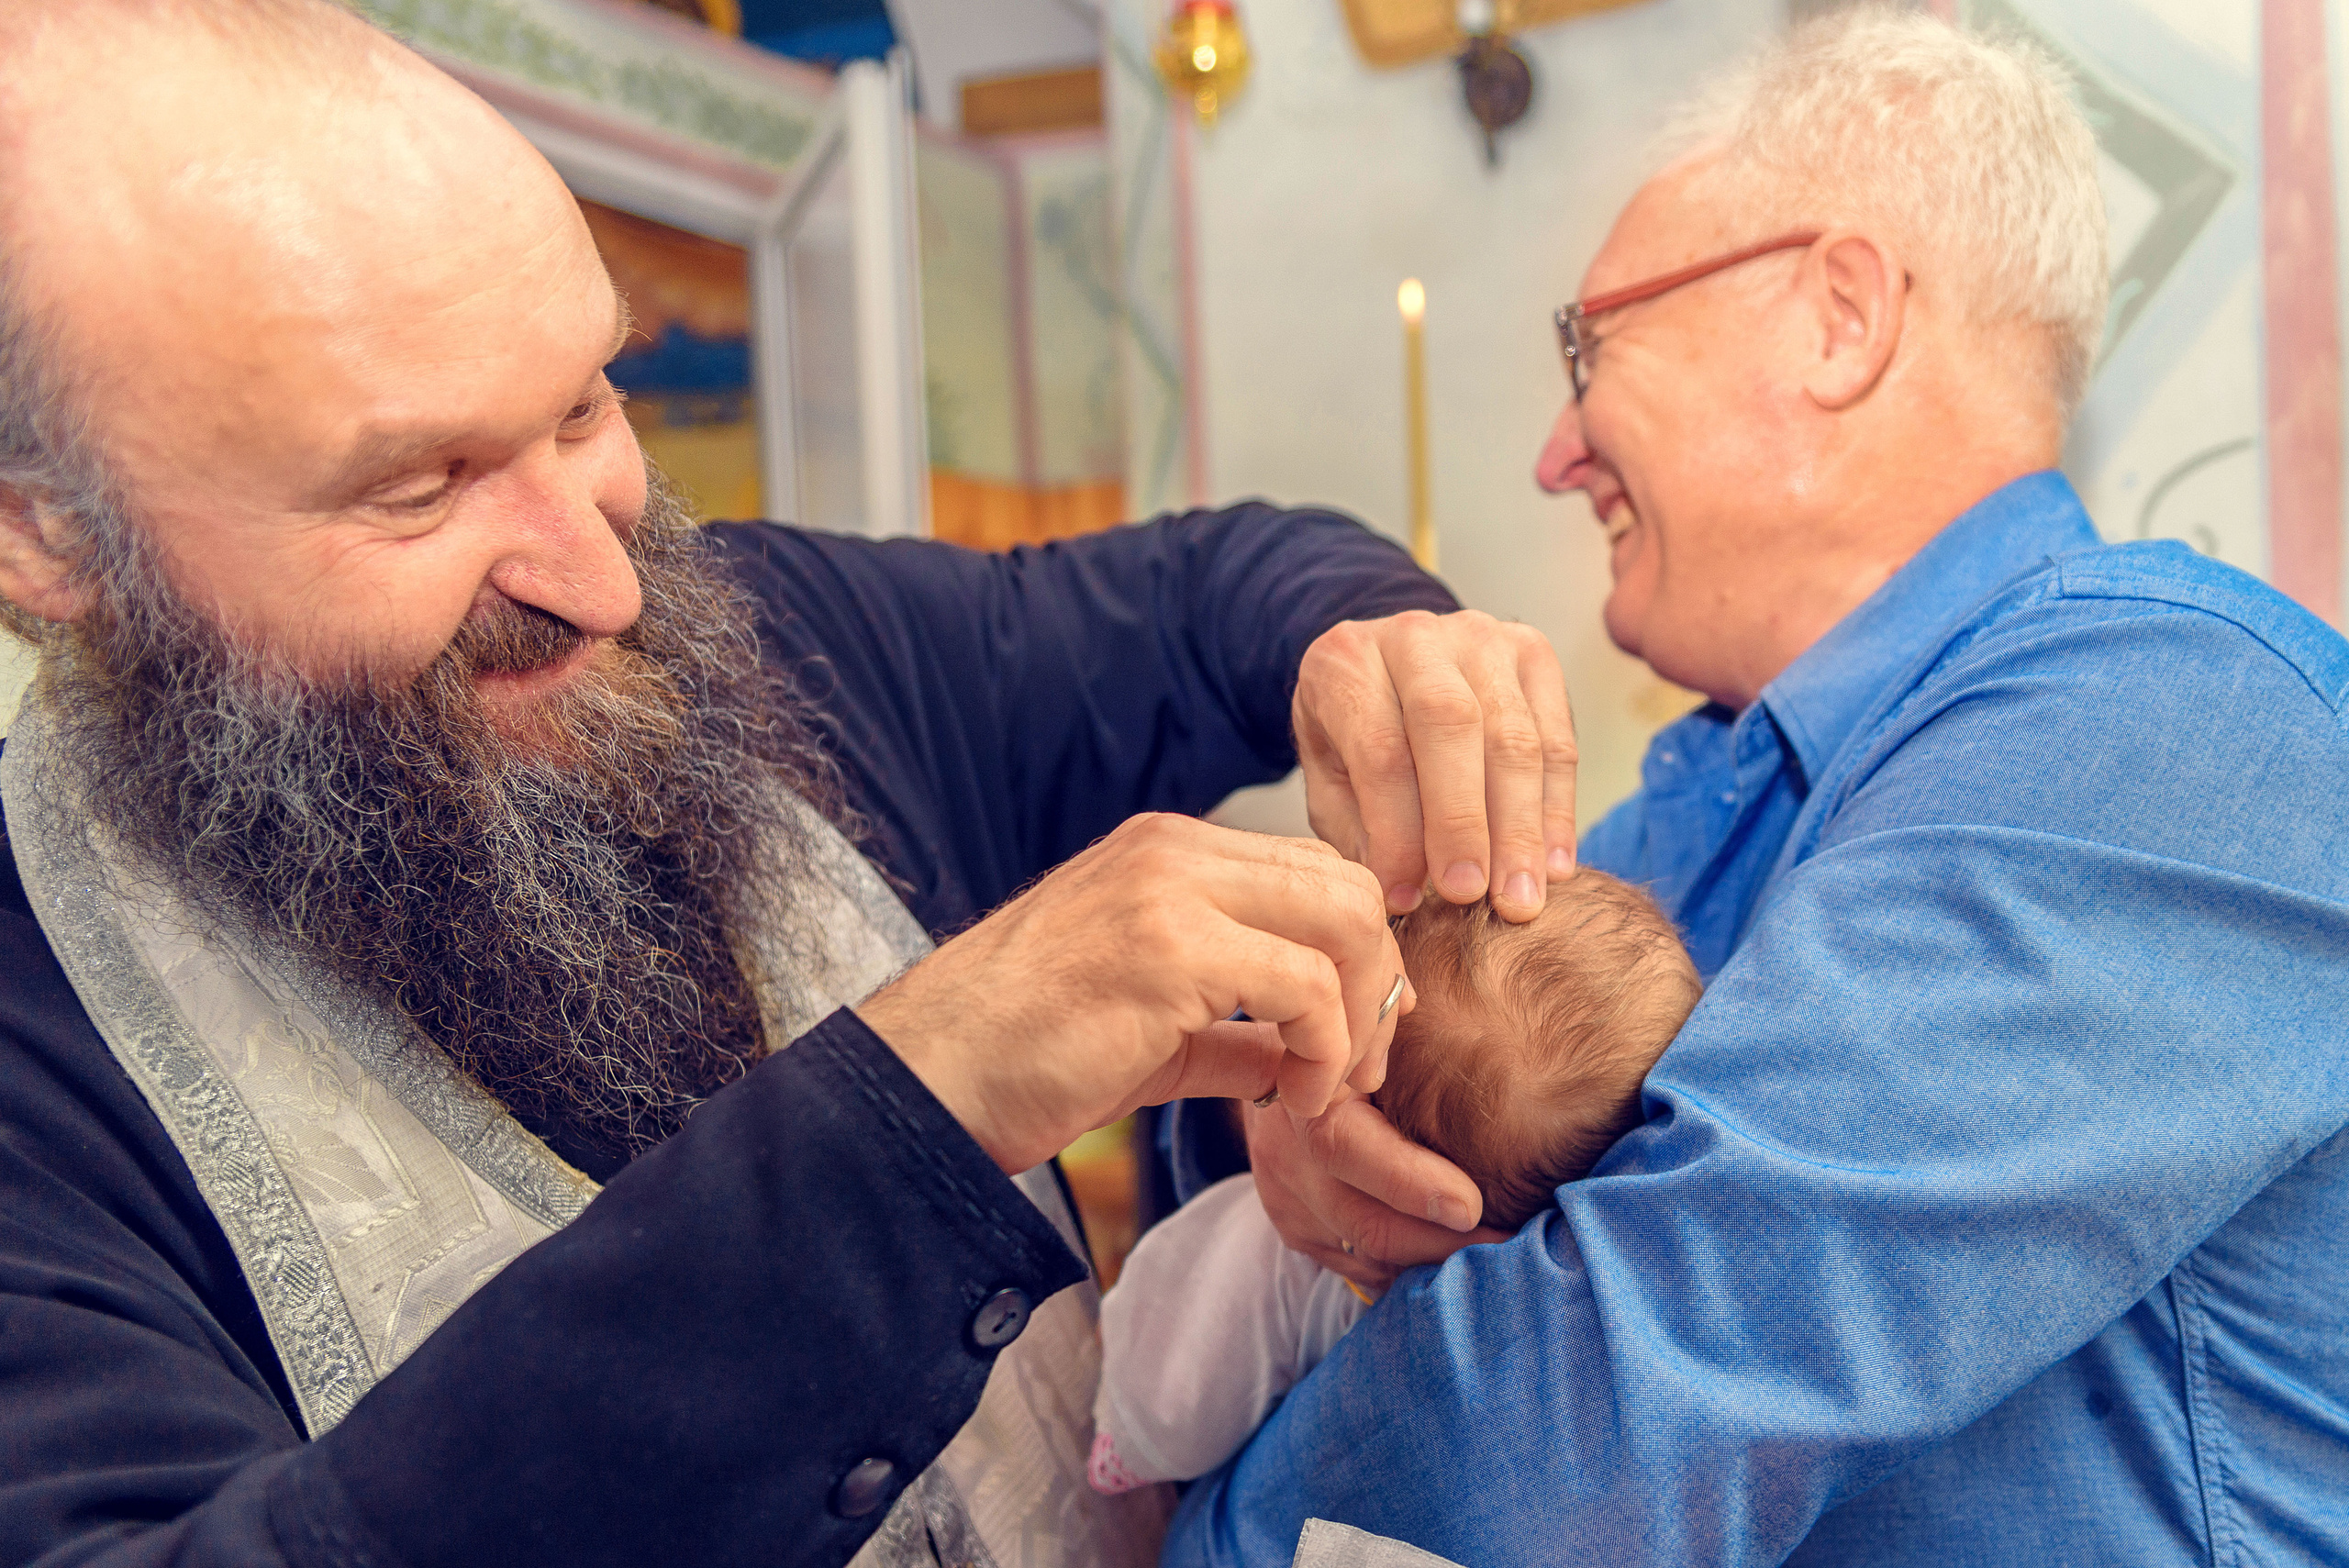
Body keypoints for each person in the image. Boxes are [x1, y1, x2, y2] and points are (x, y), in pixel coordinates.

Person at [0, 4, 1577, 1565]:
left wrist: (1382, 656)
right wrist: (918, 1098)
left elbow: (1221, 590)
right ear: (49, 536)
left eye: (583, 406)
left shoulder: (778, 628)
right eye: (419, 489)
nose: (604, 581)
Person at [1184, 10, 2349, 1565]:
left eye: (1586, 347)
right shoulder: (1691, 807)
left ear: (1840, 315)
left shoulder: (2173, 711)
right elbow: (1375, 1198)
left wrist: (1174, 1520)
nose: (1554, 450)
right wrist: (1299, 1136)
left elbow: (1600, 1402)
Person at [1088, 873, 1699, 1495]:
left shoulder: (1268, 1252)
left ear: (1372, 1136)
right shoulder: (1545, 1363)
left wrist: (1122, 1444)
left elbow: (1161, 1400)